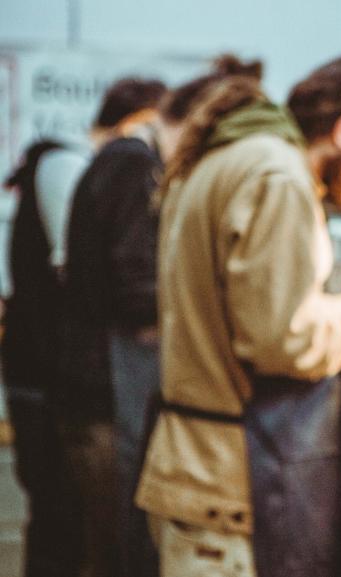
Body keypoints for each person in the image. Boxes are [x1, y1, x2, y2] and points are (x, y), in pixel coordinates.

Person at [135, 51, 341, 577]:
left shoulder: (231, 154)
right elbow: (282, 340)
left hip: (195, 469)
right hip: (226, 481)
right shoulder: (278, 174)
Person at [59, 76, 167, 577]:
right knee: (117, 547)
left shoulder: (108, 162)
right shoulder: (132, 161)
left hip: (89, 379)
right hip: (105, 384)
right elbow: (135, 286)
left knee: (100, 545)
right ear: (148, 117)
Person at [2, 136, 88, 576]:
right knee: (58, 512)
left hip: (29, 373)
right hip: (43, 378)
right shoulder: (60, 167)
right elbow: (70, 269)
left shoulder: (44, 171)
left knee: (51, 510)